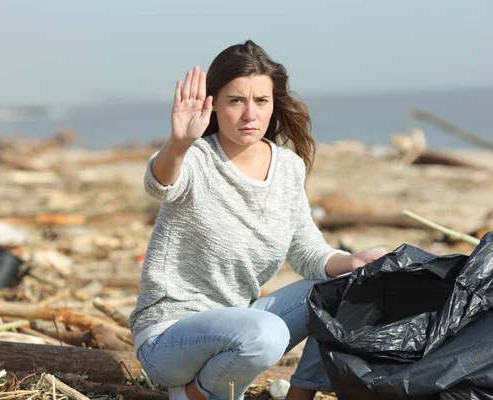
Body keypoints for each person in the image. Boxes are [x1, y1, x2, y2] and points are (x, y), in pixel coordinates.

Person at [129, 40, 383, 400]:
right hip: (171, 337)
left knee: (347, 291)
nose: (250, 115)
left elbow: (307, 251)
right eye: (236, 101)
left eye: (261, 101)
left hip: (241, 322)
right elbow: (160, 184)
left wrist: (352, 262)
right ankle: (190, 395)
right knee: (267, 334)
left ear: (272, 104)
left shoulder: (288, 168)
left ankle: (299, 395)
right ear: (213, 104)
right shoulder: (196, 158)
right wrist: (178, 143)